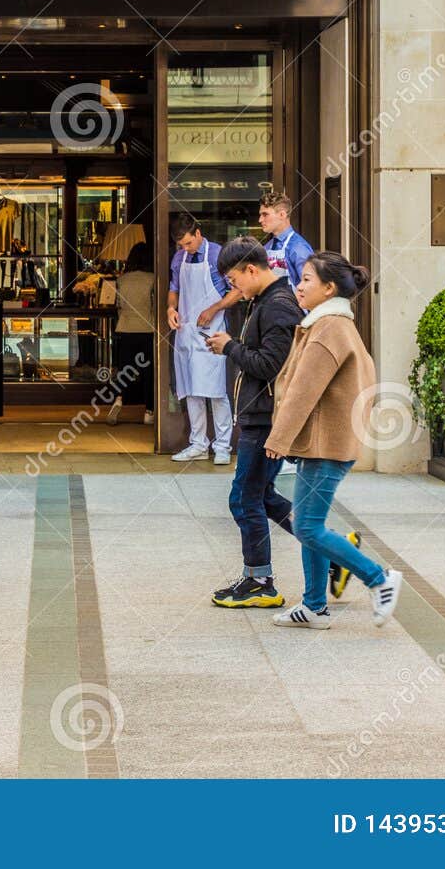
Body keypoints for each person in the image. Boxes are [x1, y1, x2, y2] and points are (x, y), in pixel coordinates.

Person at [264, 251, 404, 630]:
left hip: (327, 445)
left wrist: (279, 438)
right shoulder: (331, 325)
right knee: (309, 522)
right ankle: (313, 606)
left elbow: (303, 391)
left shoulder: (329, 328)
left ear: (328, 288)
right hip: (323, 443)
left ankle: (379, 579)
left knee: (308, 527)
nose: (299, 284)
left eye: (307, 279)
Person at [204, 236, 302, 608]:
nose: (234, 288)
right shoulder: (264, 301)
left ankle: (260, 579)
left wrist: (229, 346)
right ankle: (331, 556)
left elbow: (269, 365)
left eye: (233, 281)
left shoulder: (277, 306)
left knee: (245, 499)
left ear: (251, 269)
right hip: (261, 416)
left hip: (265, 421)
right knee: (262, 496)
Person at [167, 213, 239, 464]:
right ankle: (198, 443)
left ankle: (222, 446)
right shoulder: (179, 258)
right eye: (181, 245)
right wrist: (171, 309)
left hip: (213, 331)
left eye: (188, 243)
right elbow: (174, 288)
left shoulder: (218, 255)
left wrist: (214, 308)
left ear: (198, 233)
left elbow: (237, 291)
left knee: (217, 390)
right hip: (186, 331)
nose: (185, 248)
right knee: (192, 390)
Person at [108, 240, 156, 426]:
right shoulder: (153, 279)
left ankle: (118, 399)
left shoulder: (122, 280)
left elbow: (118, 306)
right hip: (147, 330)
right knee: (149, 373)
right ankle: (149, 411)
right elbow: (154, 306)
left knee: (124, 370)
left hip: (125, 329)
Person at [259, 190, 314, 288]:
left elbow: (310, 287)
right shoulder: (267, 247)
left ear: (282, 215)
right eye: (260, 215)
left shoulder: (299, 247)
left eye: (265, 214)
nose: (260, 220)